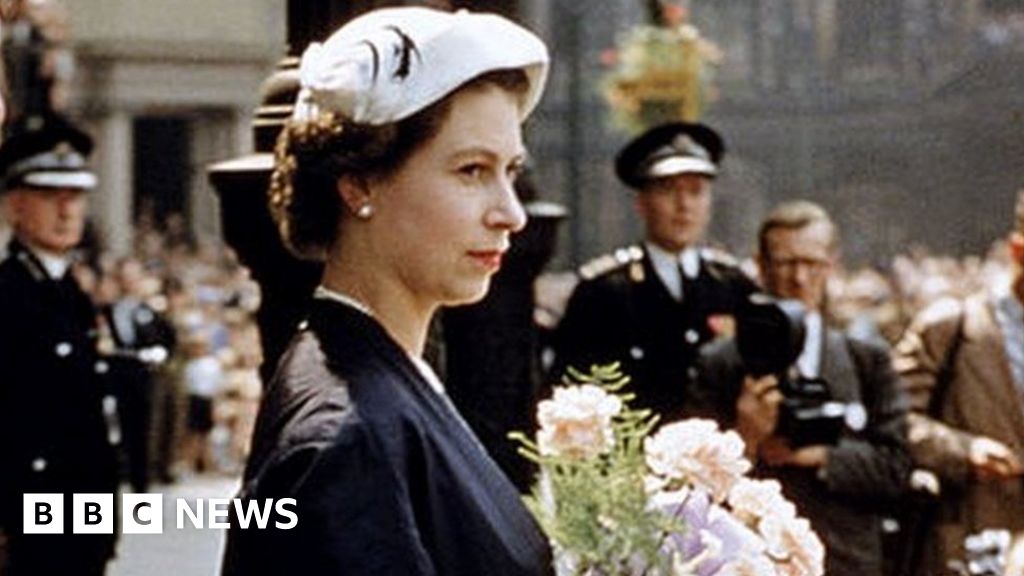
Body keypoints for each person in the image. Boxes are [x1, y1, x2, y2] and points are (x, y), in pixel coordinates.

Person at [220, 7, 552, 575]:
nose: (511, 213)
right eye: (471, 170)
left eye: (511, 172)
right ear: (360, 183)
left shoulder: (385, 376)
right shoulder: (349, 437)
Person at [691, 201, 911, 576]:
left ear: (832, 266)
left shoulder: (866, 359)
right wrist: (745, 438)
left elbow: (897, 468)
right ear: (760, 266)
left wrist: (821, 455)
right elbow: (692, 486)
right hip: (750, 561)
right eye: (786, 263)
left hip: (844, 558)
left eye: (812, 263)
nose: (800, 278)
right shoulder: (721, 363)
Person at [551, 121, 757, 421]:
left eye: (696, 191)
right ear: (642, 203)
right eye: (668, 190)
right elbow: (570, 391)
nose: (683, 205)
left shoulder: (734, 285)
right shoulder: (605, 291)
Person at [0, 114, 119, 576]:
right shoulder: (9, 294)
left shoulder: (73, 293)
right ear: (15, 206)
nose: (67, 210)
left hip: (79, 524)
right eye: (51, 196)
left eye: (76, 196)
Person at [892, 190, 1024, 575]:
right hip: (971, 539)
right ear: (1017, 251)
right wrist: (963, 450)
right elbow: (895, 419)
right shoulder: (952, 328)